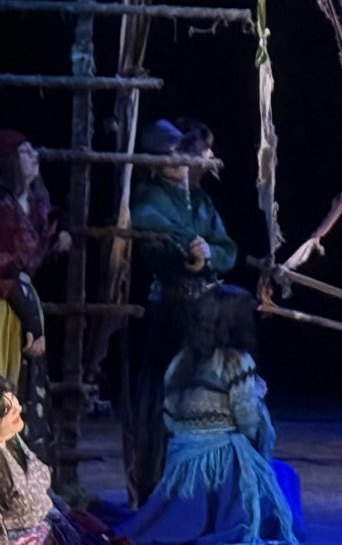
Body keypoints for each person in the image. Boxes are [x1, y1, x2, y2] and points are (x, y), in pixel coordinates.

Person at [119, 285, 301, 545]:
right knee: (284, 476)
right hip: (221, 461)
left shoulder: (181, 361)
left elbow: (169, 415)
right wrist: (250, 448)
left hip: (182, 462)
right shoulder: (236, 362)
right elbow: (247, 419)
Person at [126, 119, 237, 505]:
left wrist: (209, 255)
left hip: (205, 310)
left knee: (206, 397)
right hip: (171, 311)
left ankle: (202, 490)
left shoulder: (200, 201)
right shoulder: (149, 199)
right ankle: (161, 490)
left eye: (182, 152)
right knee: (166, 397)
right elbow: (155, 239)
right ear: (155, 163)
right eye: (170, 155)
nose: (179, 160)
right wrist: (189, 253)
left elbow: (227, 248)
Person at [0, 133, 68, 456]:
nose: (34, 156)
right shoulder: (3, 207)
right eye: (25, 152)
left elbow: (35, 250)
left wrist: (61, 233)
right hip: (6, 303)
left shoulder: (36, 203)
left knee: (25, 386)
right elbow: (6, 267)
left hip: (23, 301)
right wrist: (31, 319)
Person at [0, 380, 122, 545]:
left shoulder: (14, 441)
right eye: (9, 410)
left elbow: (46, 492)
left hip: (58, 527)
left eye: (15, 401)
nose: (19, 409)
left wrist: (69, 514)